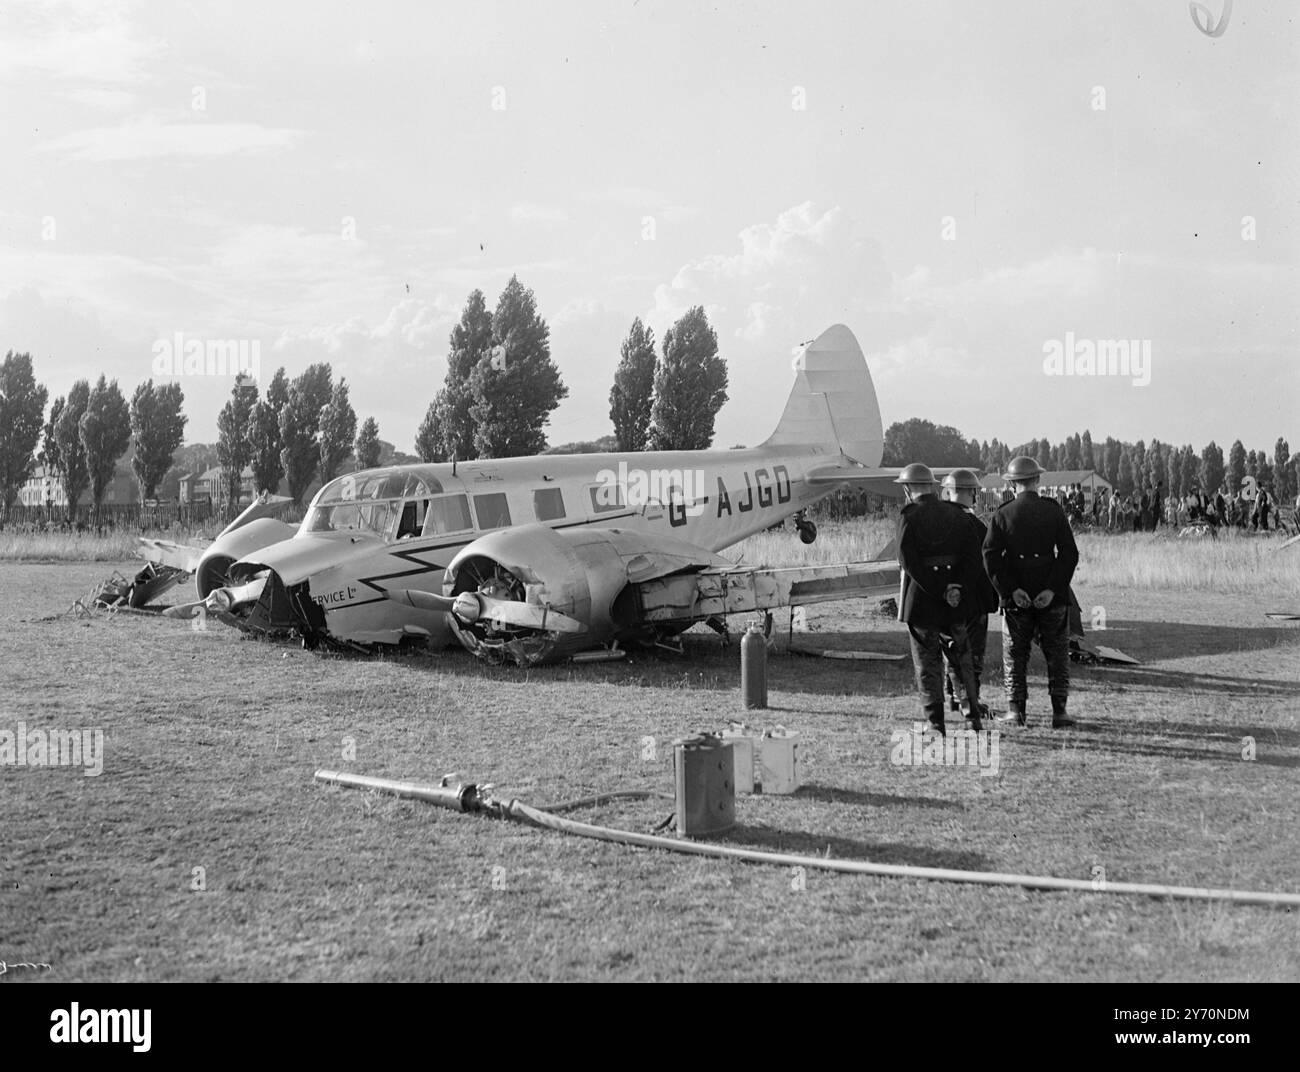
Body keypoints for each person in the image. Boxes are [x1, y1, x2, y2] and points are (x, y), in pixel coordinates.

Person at [984, 456, 1080, 729]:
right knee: (1058, 654)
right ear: (1037, 480)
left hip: (1018, 597)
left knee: (1015, 655)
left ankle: (1016, 712)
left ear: (1012, 483)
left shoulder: (1003, 514)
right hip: (1052, 594)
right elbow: (1069, 553)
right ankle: (1059, 712)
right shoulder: (1053, 510)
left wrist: (1011, 590)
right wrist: (1052, 588)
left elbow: (990, 556)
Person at [895, 462, 986, 735]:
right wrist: (954, 588)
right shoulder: (956, 514)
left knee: (928, 663)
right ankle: (973, 720)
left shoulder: (908, 516)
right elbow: (973, 557)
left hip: (923, 600)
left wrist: (936, 588)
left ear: (909, 489)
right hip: (954, 601)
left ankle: (935, 723)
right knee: (961, 660)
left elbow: (907, 561)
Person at [939, 469, 1000, 724]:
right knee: (972, 654)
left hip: (943, 598)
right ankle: (970, 701)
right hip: (973, 600)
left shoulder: (937, 522)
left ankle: (952, 697)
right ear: (971, 493)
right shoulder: (975, 524)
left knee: (950, 651)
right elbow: (985, 563)